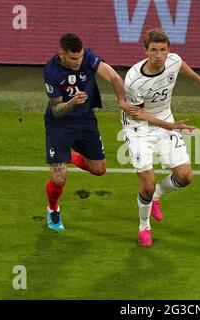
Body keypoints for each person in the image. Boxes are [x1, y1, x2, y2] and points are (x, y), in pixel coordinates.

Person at [122, 28, 200, 246]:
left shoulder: (173, 60)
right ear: (145, 51)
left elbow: (179, 65)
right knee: (146, 184)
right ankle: (144, 227)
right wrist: (171, 126)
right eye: (153, 50)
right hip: (139, 128)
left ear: (168, 50)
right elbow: (140, 114)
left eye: (163, 50)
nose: (158, 55)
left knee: (184, 176)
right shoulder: (134, 81)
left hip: (165, 120)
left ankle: (156, 195)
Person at [43, 33, 137, 231]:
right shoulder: (51, 71)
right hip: (59, 125)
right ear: (62, 54)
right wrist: (73, 102)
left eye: (80, 57)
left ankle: (70, 157)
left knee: (99, 170)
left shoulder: (89, 57)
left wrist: (121, 101)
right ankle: (53, 210)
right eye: (73, 58)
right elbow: (56, 110)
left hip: (86, 121)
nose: (78, 62)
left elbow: (114, 77)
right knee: (59, 178)